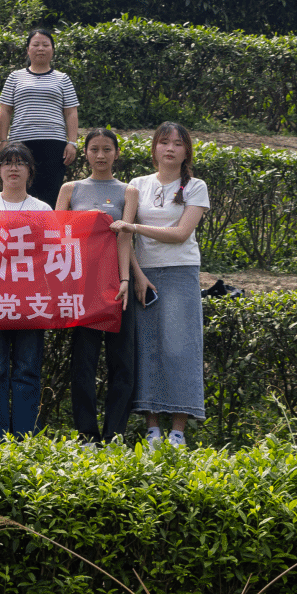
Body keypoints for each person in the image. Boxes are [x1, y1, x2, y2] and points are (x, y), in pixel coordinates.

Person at [116, 122, 209, 449]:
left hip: (181, 271)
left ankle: (178, 430)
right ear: (154, 147)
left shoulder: (196, 186)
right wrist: (135, 275)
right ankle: (152, 427)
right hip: (145, 274)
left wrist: (134, 224)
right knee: (149, 347)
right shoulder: (136, 185)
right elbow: (124, 235)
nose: (170, 148)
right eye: (164, 142)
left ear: (186, 151)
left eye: (178, 144)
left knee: (181, 347)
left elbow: (181, 233)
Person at [59, 129, 141, 445]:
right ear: (86, 153)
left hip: (117, 283)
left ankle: (114, 433)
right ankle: (87, 433)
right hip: (83, 285)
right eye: (94, 149)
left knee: (122, 360)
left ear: (116, 153)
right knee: (83, 361)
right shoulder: (70, 189)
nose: (101, 155)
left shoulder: (128, 191)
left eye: (107, 149)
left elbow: (125, 237)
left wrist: (124, 280)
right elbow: (58, 238)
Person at [0, 145, 54, 439]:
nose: (13, 168)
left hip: (32, 299)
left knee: (27, 371)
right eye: (7, 163)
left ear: (30, 171)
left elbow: (52, 254)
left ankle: (26, 437)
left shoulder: (42, 209)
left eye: (20, 163)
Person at [0, 27, 81, 210]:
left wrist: (72, 142)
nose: (40, 48)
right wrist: (3, 140)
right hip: (21, 142)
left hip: (54, 142)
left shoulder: (63, 79)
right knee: (21, 187)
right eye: (35, 44)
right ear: (28, 49)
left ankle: (46, 233)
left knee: (51, 189)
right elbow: (5, 111)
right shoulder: (15, 77)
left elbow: (71, 112)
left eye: (46, 45)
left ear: (52, 49)